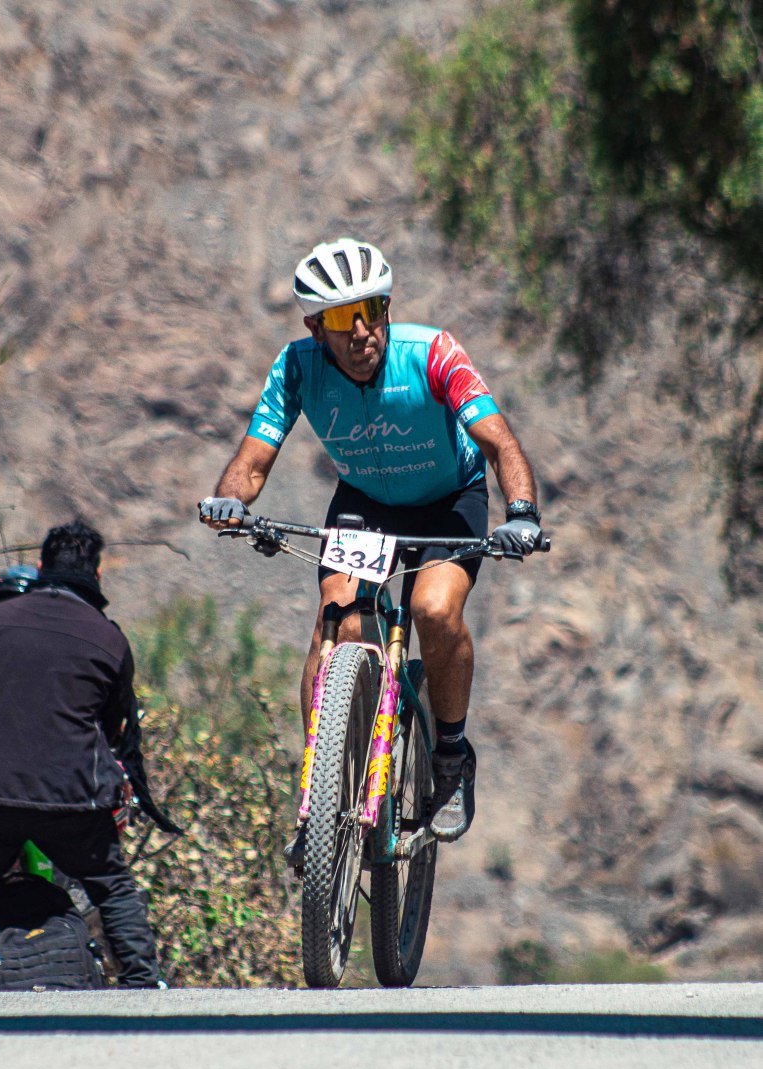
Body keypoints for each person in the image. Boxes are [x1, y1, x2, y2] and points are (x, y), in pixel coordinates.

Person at [199, 236, 545, 860]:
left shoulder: (431, 353)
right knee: (336, 622)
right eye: (341, 318)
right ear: (315, 327)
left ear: (387, 308)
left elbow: (498, 442)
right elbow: (251, 464)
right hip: (365, 504)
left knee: (433, 610)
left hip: (449, 499)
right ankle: (324, 798)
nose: (361, 331)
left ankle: (451, 757)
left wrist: (520, 512)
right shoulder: (297, 367)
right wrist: (229, 504)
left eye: (372, 311)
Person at [0, 519, 173, 988]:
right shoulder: (108, 639)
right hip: (74, 797)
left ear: (41, 567)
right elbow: (116, 727)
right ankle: (143, 984)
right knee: (111, 886)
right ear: (96, 575)